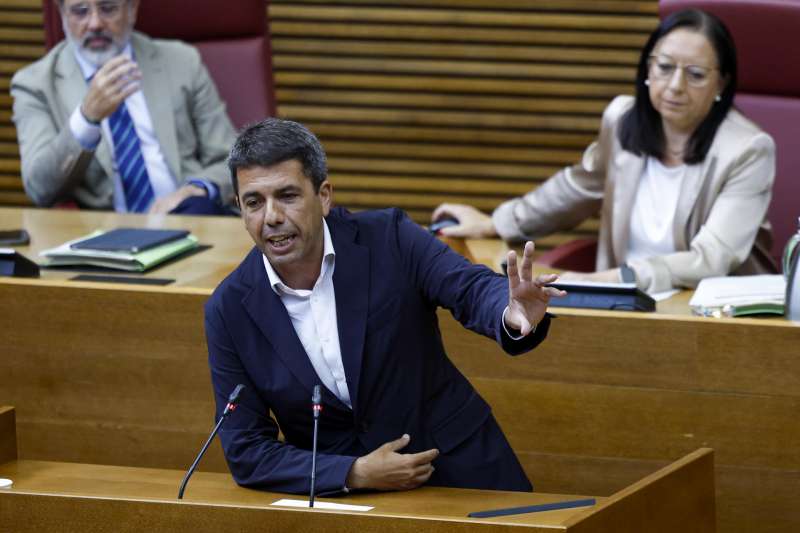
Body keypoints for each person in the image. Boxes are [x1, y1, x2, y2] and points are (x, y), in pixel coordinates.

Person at [205, 118, 564, 495]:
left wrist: (508, 312)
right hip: (344, 502)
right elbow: (246, 449)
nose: (272, 217)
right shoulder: (230, 309)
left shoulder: (390, 238)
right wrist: (351, 473)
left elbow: (469, 287)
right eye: (254, 202)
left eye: (288, 196)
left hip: (459, 471)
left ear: (323, 196)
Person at [432, 9, 776, 294]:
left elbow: (712, 259)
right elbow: (577, 188)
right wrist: (497, 221)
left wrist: (614, 280)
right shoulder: (623, 120)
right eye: (665, 67)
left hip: (711, 315)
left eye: (696, 74)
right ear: (647, 68)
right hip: (624, 307)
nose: (675, 86)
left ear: (721, 83)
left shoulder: (748, 150)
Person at [10, 0, 236, 215]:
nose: (95, 23)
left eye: (108, 8)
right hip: (107, 237)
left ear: (132, 8)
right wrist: (86, 119)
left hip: (191, 218)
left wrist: (197, 189)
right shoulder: (35, 84)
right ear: (62, 13)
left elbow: (233, 160)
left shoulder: (183, 61)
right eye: (80, 11)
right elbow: (40, 189)